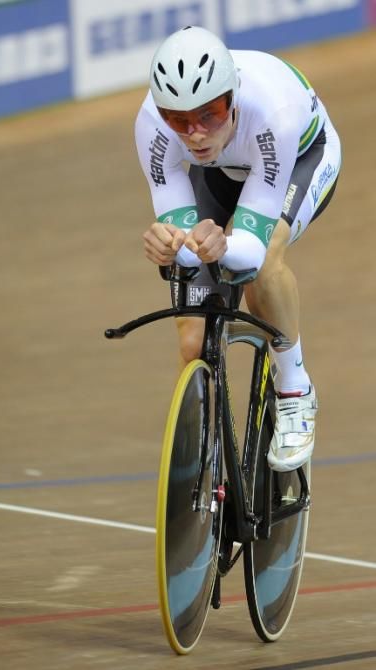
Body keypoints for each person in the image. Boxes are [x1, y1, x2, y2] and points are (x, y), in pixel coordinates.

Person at [135, 26, 341, 472]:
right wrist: (172, 246)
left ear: (233, 98)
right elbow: (186, 251)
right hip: (225, 168)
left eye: (209, 114)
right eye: (179, 120)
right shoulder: (152, 125)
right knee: (192, 339)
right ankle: (202, 462)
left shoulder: (273, 114)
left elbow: (245, 254)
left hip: (300, 159)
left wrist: (222, 245)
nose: (194, 134)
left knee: (263, 264)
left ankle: (294, 389)